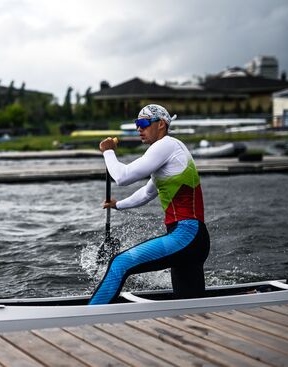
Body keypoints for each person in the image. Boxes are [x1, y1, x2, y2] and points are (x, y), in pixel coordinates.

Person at [89, 104, 210, 305]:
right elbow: (146, 193)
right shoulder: (172, 154)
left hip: (185, 236)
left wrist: (108, 152)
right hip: (195, 240)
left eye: (144, 123)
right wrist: (118, 204)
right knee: (190, 307)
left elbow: (122, 176)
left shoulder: (166, 145)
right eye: (137, 124)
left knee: (120, 263)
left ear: (161, 124)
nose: (138, 129)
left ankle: (88, 317)